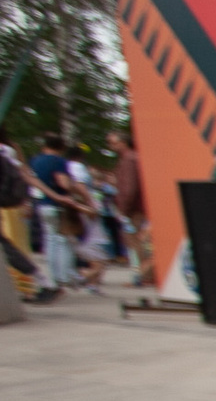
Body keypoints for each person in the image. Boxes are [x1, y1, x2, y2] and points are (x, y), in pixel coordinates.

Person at [30, 134, 102, 294]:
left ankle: (54, 278)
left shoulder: (35, 160)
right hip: (59, 205)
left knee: (50, 242)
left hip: (42, 204)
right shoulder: (58, 161)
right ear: (61, 147)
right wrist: (74, 190)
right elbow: (63, 182)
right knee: (64, 241)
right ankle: (65, 277)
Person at [0, 139, 42, 304]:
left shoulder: (6, 151)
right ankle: (29, 284)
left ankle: (28, 284)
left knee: (10, 245)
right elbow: (23, 174)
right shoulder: (8, 150)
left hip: (10, 208)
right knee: (13, 245)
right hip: (11, 206)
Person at [109, 129, 147, 278]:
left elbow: (130, 188)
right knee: (137, 242)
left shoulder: (129, 160)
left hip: (133, 210)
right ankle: (142, 274)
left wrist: (124, 208)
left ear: (123, 143)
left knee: (136, 243)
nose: (111, 146)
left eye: (113, 143)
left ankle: (142, 276)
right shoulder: (131, 158)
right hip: (134, 208)